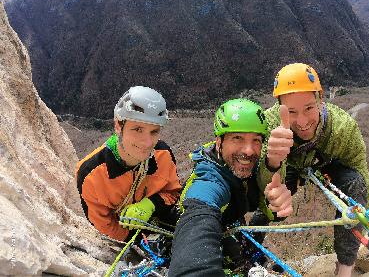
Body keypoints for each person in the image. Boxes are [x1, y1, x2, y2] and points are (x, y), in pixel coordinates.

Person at [257, 63, 369, 277]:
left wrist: (363, 216)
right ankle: (252, 250)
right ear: (279, 107)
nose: (301, 121)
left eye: (309, 108)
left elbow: (360, 173)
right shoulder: (268, 124)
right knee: (269, 203)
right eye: (291, 111)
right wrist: (271, 162)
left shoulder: (342, 128)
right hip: (288, 165)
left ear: (321, 99)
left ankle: (345, 267)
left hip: (328, 163)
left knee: (354, 188)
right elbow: (260, 178)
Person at [168, 99, 293, 276]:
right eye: (237, 138)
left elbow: (262, 197)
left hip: (233, 228)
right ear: (219, 142)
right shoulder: (209, 178)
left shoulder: (250, 168)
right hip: (207, 236)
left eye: (256, 140)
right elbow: (199, 211)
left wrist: (275, 205)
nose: (249, 151)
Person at [76, 86, 182, 241]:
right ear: (118, 126)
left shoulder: (163, 154)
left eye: (154, 132)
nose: (147, 143)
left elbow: (172, 193)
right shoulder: (91, 174)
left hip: (163, 225)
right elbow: (103, 228)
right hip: (125, 241)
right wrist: (140, 241)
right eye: (138, 129)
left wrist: (151, 204)